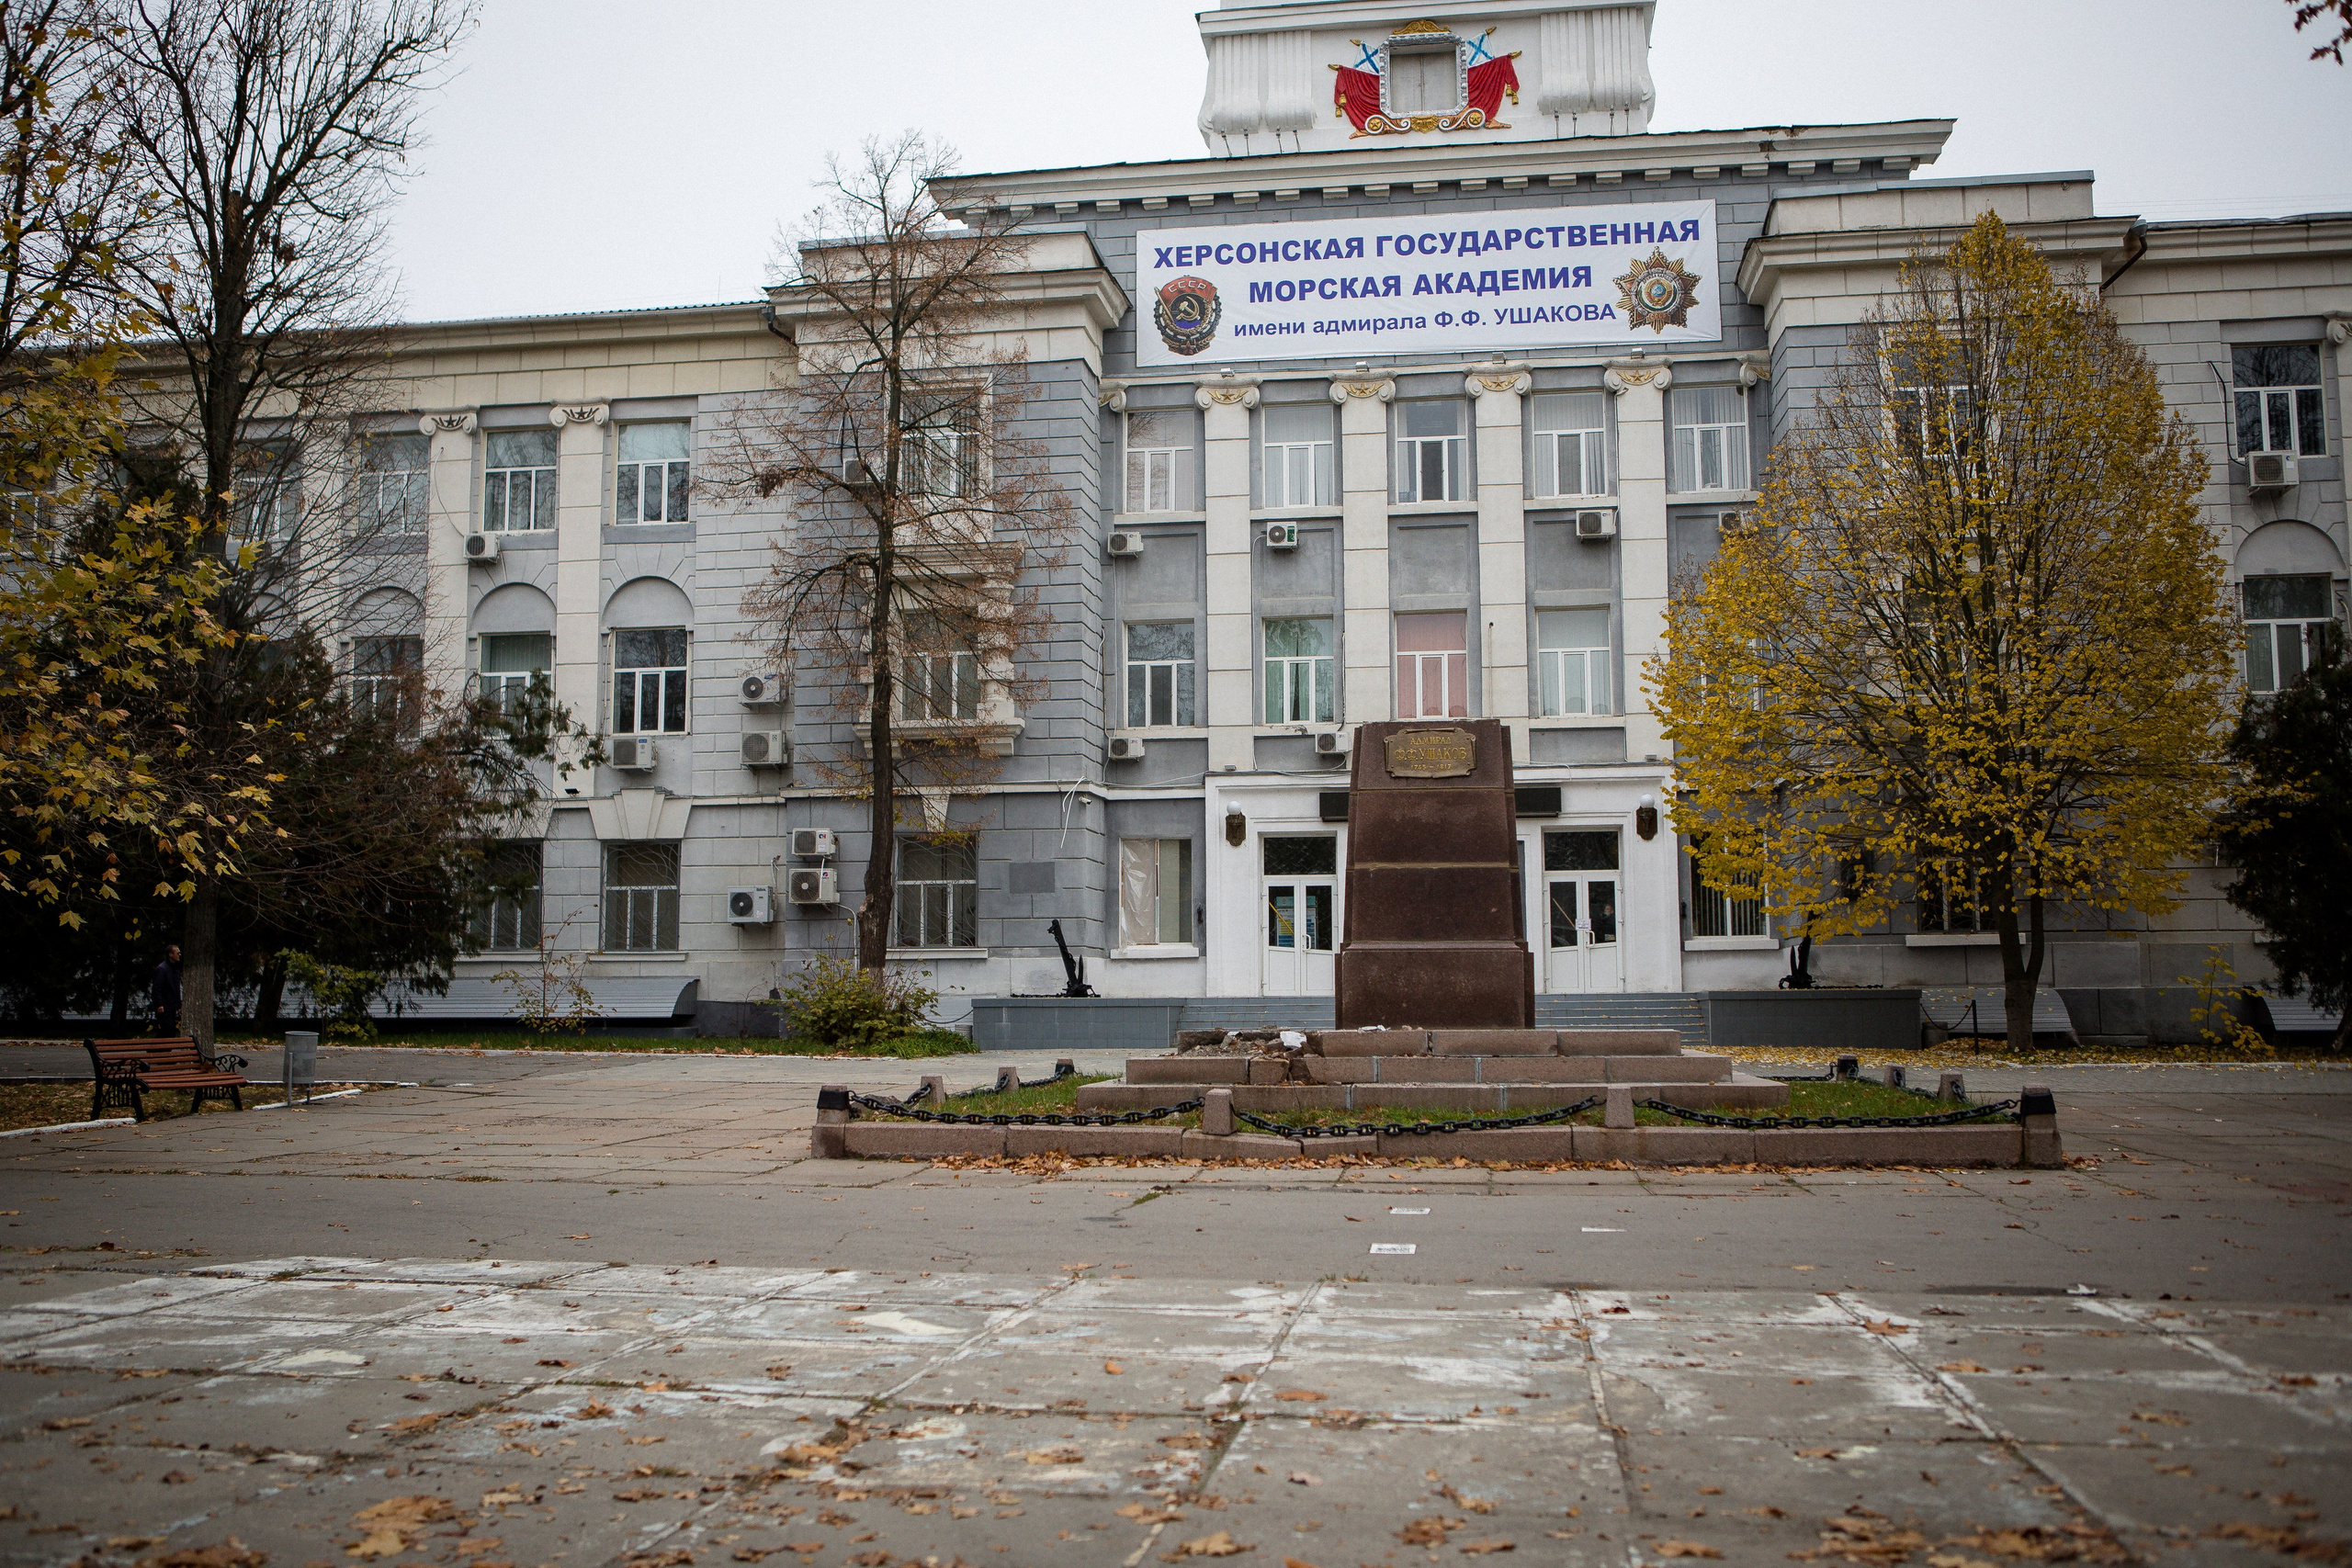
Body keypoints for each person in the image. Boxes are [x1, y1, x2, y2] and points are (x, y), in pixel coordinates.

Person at [152, 944, 182, 1036]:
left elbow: (176, 990)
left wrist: (179, 1006)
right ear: (170, 954)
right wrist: (159, 1004)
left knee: (169, 1031)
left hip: (172, 1005)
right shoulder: (162, 969)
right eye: (177, 953)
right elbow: (157, 988)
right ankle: (154, 1049)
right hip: (165, 1006)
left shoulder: (175, 970)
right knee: (167, 1029)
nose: (180, 955)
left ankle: (158, 1049)